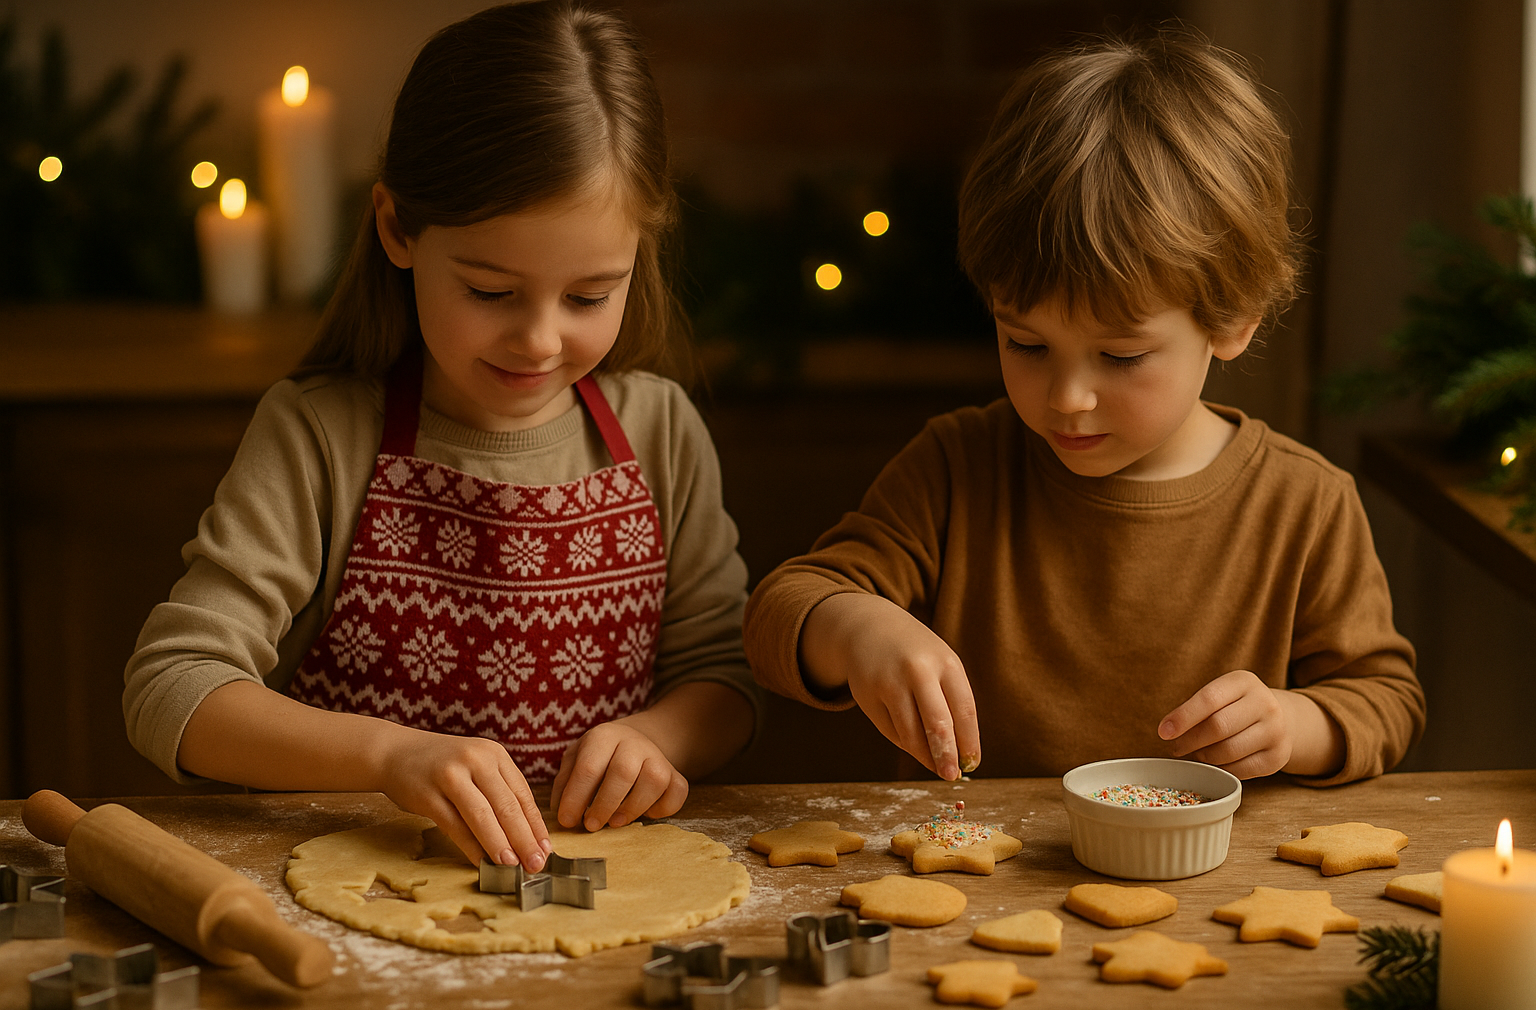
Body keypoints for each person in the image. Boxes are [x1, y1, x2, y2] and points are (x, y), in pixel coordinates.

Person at [124, 1, 757, 874]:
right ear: (397, 229)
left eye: (588, 296)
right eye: (492, 292)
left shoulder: (660, 431)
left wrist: (659, 737)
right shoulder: (319, 436)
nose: (539, 339)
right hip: (360, 892)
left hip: (596, 889)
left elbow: (725, 675)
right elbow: (173, 686)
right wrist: (390, 759)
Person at [743, 31, 1424, 787]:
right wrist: (854, 626)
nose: (1066, 399)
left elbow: (1386, 700)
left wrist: (1298, 726)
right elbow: (779, 612)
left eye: (1122, 356)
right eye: (1027, 344)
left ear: (1231, 318)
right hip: (971, 885)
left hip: (1204, 891)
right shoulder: (956, 468)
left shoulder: (1306, 505)